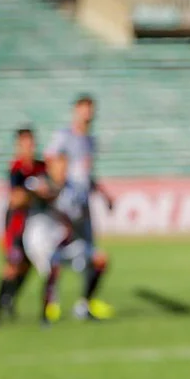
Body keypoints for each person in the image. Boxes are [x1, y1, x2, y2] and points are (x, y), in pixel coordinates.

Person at [46, 94, 114, 320]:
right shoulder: (63, 136)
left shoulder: (90, 141)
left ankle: (84, 304)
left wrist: (103, 194)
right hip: (65, 206)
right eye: (84, 108)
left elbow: (87, 175)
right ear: (76, 110)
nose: (88, 113)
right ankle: (51, 302)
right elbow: (50, 161)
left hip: (84, 208)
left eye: (91, 109)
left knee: (94, 258)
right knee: (55, 252)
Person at [0, 128, 50, 326]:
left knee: (28, 265)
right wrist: (33, 193)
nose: (29, 147)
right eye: (25, 144)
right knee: (11, 267)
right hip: (16, 225)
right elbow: (16, 199)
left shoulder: (41, 167)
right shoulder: (16, 169)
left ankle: (10, 299)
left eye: (31, 143)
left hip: (35, 225)